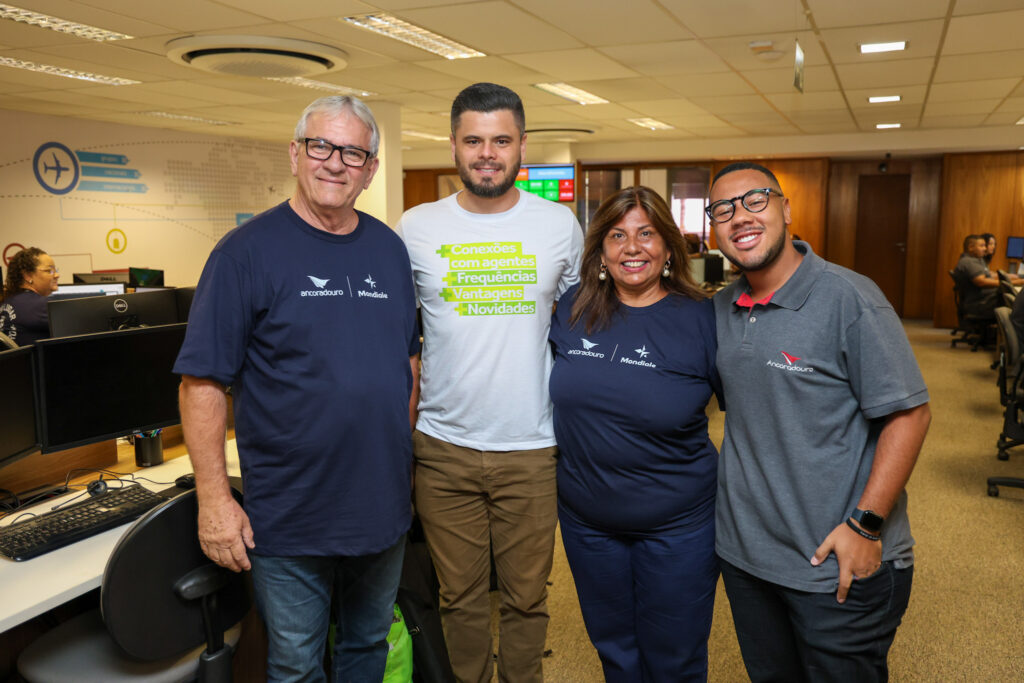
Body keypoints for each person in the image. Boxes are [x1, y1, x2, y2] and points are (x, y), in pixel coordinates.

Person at [174, 95, 421, 683]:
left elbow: (407, 361)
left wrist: (399, 451)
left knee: (367, 647)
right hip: (289, 513)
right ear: (295, 153)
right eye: (321, 146)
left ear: (371, 168)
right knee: (294, 664)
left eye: (353, 152)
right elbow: (202, 382)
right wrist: (214, 501)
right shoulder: (244, 253)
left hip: (380, 506)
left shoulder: (389, 250)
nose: (335, 163)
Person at [708, 161, 932, 682]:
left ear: (786, 209)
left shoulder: (849, 298)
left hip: (836, 560)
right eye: (723, 209)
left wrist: (865, 524)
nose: (740, 216)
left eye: (755, 200)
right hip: (747, 559)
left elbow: (910, 414)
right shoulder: (720, 309)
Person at [397, 82, 583, 683]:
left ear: (521, 146)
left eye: (500, 140)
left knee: (527, 601)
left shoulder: (558, 225)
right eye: (473, 140)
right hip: (443, 450)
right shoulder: (416, 226)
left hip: (531, 448)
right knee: (459, 600)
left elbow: (583, 328)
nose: (486, 153)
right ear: (453, 145)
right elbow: (403, 341)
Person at [548, 186, 720, 682]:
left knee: (675, 657)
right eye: (617, 235)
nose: (632, 247)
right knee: (615, 650)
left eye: (646, 234)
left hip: (679, 526)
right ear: (600, 250)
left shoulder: (702, 320)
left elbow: (754, 415)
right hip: (587, 523)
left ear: (668, 246)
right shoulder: (571, 309)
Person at [0, 247, 59, 345]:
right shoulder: (41, 305)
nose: (57, 275)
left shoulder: (8, 300)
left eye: (55, 270)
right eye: (50, 271)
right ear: (28, 275)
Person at [954, 234, 1020, 317]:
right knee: (1015, 301)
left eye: (985, 246)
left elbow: (988, 276)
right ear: (971, 247)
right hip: (979, 304)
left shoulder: (973, 260)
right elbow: (982, 282)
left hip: (982, 300)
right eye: (982, 246)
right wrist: (1016, 282)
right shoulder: (969, 262)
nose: (985, 249)